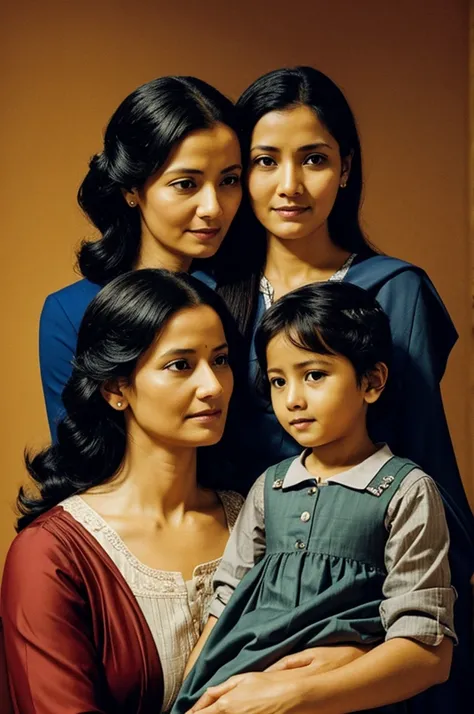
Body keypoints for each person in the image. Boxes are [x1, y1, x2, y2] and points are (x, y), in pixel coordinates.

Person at [199, 66, 473, 707]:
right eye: (265, 162)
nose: (289, 185)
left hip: (365, 586)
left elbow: (419, 464)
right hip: (239, 578)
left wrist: (371, 639)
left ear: (345, 169)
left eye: (314, 160)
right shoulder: (212, 296)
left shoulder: (393, 288)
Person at [172, 281, 456, 714]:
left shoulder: (405, 491)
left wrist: (293, 696)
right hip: (238, 684)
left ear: (372, 381)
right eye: (277, 381)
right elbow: (224, 606)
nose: (293, 399)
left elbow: (425, 649)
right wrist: (184, 697)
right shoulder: (271, 487)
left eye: (314, 375)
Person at [1, 270, 243, 714]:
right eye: (181, 365)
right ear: (116, 387)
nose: (213, 386)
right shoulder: (50, 555)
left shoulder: (262, 521)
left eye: (221, 360)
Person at [40, 76, 242, 437]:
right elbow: (75, 458)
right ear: (132, 188)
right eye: (186, 184)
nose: (213, 208)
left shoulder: (244, 292)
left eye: (229, 181)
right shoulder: (72, 312)